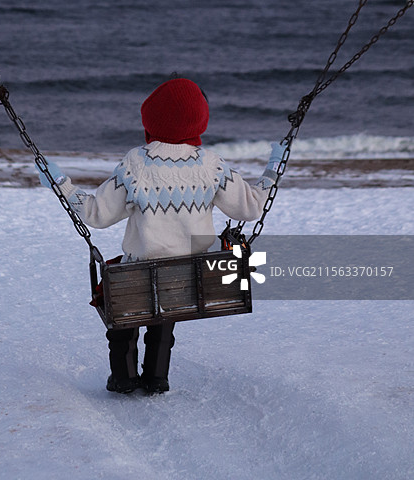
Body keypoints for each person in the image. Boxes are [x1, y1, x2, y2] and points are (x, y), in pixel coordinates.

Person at [39, 77, 283, 395]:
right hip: (190, 277)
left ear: (151, 118)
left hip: (139, 272)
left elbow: (95, 214)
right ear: (200, 120)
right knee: (166, 308)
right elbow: (250, 208)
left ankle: (124, 377)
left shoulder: (135, 164)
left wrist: (61, 183)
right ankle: (156, 377)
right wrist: (273, 170)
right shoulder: (211, 165)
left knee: (124, 305)